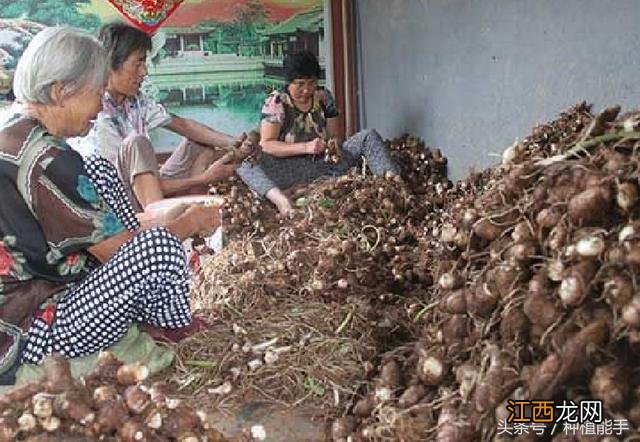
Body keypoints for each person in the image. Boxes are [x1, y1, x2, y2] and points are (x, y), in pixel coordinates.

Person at [0, 27, 221, 384]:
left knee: (100, 169)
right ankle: (171, 325)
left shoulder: (13, 129)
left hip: (31, 297)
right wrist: (189, 222)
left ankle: (149, 312)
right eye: (97, 93)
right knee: (158, 249)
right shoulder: (48, 158)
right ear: (60, 92)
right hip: (32, 332)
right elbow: (121, 252)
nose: (101, 105)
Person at [72, 23, 255, 212]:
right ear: (111, 64)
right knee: (137, 143)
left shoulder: (135, 100)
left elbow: (183, 125)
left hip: (146, 189)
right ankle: (162, 228)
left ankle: (192, 220)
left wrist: (233, 143)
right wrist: (205, 179)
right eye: (138, 63)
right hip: (119, 204)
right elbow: (129, 187)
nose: (144, 72)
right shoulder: (100, 116)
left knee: (199, 146)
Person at [236, 50, 400, 215]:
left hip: (324, 165)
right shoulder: (277, 102)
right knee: (245, 160)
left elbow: (335, 134)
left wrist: (334, 142)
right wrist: (306, 147)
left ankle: (394, 187)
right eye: (300, 84)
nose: (307, 90)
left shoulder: (323, 96)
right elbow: (267, 145)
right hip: (288, 169)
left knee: (367, 137)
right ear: (288, 82)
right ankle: (280, 200)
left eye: (311, 83)